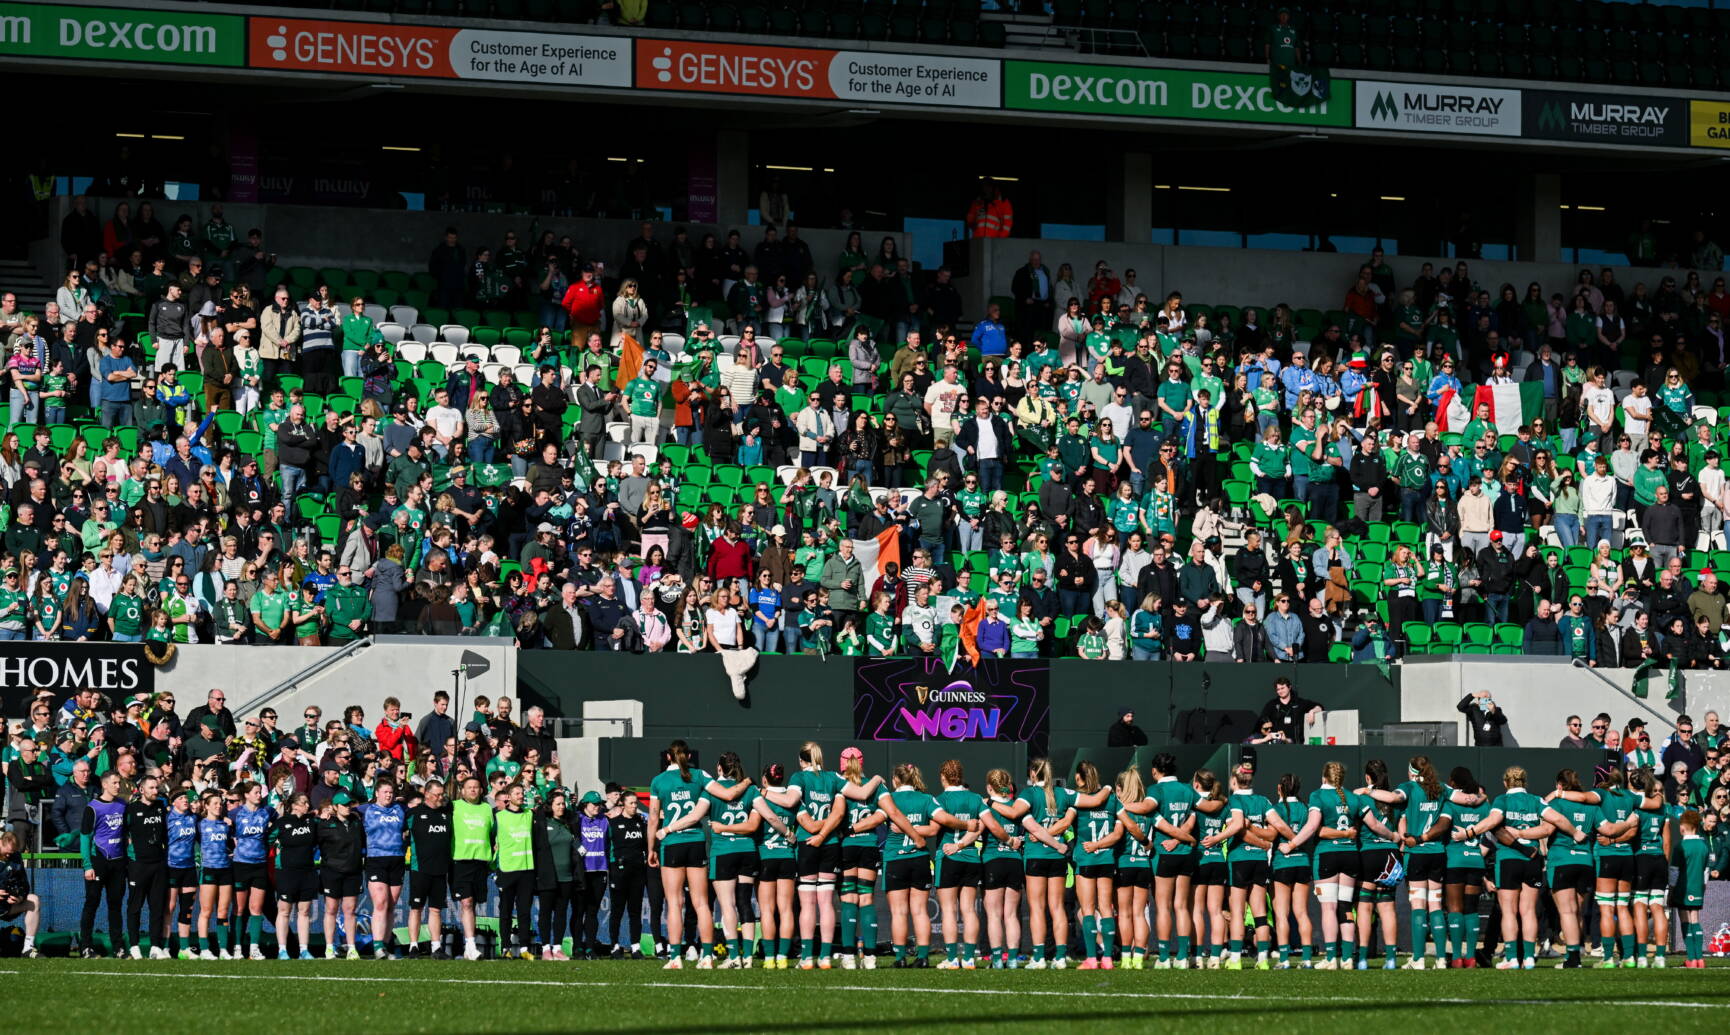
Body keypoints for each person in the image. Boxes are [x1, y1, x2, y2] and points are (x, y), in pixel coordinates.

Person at [649, 739, 715, 969]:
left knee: (674, 903)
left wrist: (651, 849)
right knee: (701, 902)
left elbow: (654, 819)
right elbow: (720, 792)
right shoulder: (699, 775)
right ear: (687, 756)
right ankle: (707, 955)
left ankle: (675, 956)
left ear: (668, 757)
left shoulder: (659, 781)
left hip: (672, 843)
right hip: (696, 840)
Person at [1258, 678, 1322, 744]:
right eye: (1278, 689)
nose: (1280, 691)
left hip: (1296, 745)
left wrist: (1312, 711)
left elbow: (1319, 707)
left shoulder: (1299, 703)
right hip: (1278, 744)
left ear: (1289, 687)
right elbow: (1262, 720)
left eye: (1282, 688)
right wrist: (1265, 728)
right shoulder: (1272, 704)